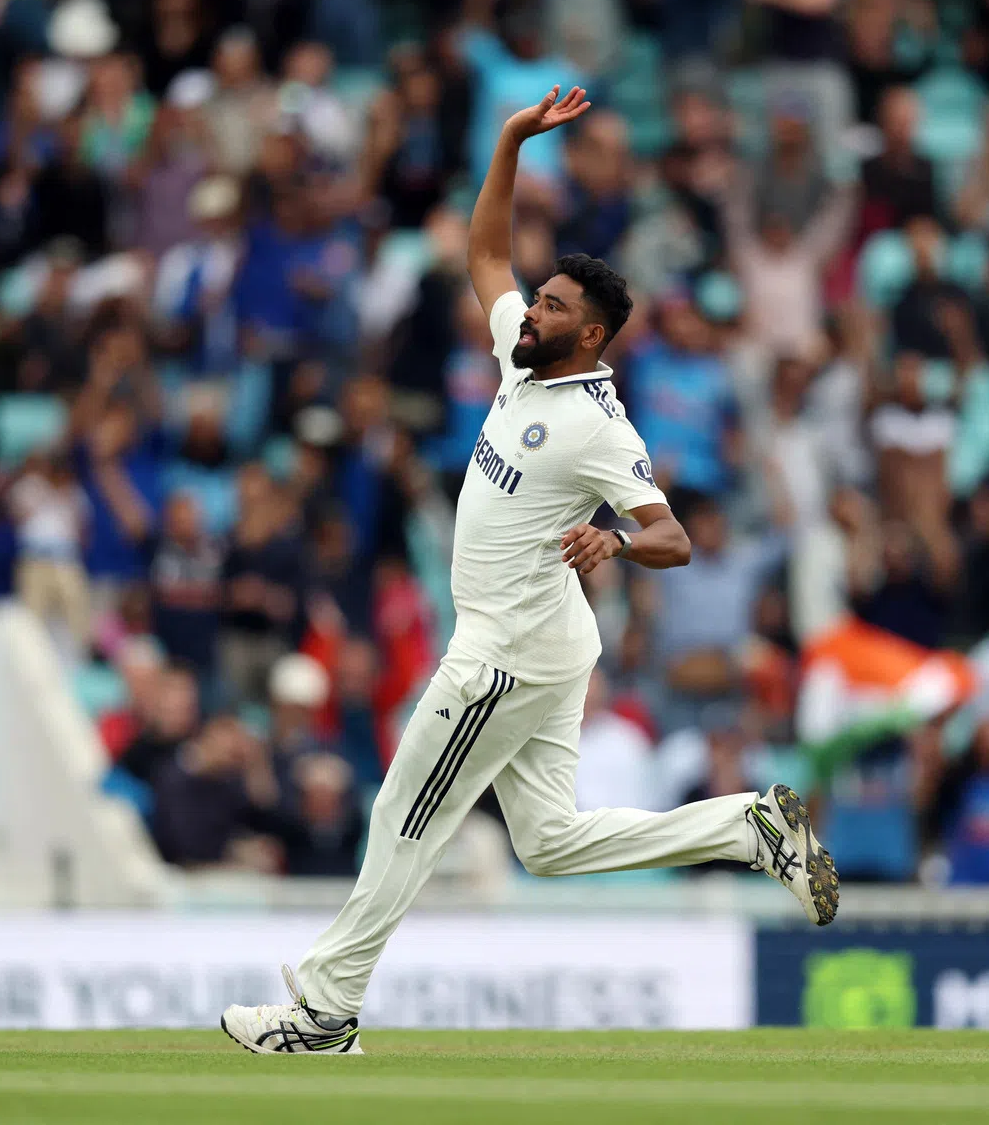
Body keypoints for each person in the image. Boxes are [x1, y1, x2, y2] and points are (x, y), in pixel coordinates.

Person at [220, 86, 839, 1056]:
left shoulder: (597, 421)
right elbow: (483, 251)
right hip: (542, 638)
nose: (530, 304)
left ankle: (325, 1009)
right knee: (547, 843)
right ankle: (744, 828)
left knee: (402, 814)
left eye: (550, 305)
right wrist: (508, 140)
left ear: (588, 335)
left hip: (506, 652)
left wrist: (618, 542)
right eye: (539, 296)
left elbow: (671, 534)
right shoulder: (522, 363)